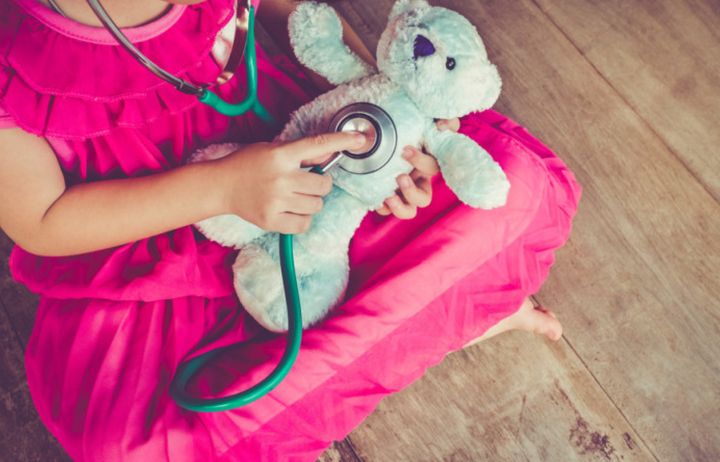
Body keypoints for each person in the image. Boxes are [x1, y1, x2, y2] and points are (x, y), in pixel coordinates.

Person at [0, 0, 580, 460]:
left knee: (513, 190)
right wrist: (223, 189)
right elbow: (43, 220)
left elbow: (294, 15)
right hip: (148, 241)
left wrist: (397, 122)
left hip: (309, 153)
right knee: (131, 441)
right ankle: (454, 315)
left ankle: (456, 312)